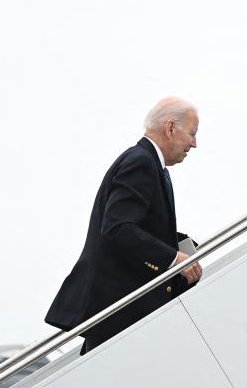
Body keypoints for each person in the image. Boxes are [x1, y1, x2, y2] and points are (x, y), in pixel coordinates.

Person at [45, 97, 204, 354]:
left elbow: (133, 225)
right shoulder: (141, 162)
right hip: (119, 309)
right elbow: (118, 228)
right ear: (171, 127)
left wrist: (178, 243)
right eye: (192, 133)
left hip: (119, 310)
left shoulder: (148, 162)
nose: (194, 144)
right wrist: (174, 259)